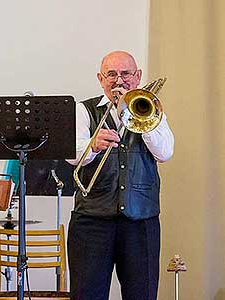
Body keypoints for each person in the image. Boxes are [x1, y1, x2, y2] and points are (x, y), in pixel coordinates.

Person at [67, 51, 174, 300]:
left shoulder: (151, 108)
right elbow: (71, 154)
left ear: (137, 77)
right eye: (111, 74)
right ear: (100, 79)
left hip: (141, 220)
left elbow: (165, 152)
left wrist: (142, 120)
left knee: (142, 295)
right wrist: (92, 145)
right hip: (91, 221)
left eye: (125, 74)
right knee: (87, 295)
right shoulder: (84, 110)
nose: (118, 81)